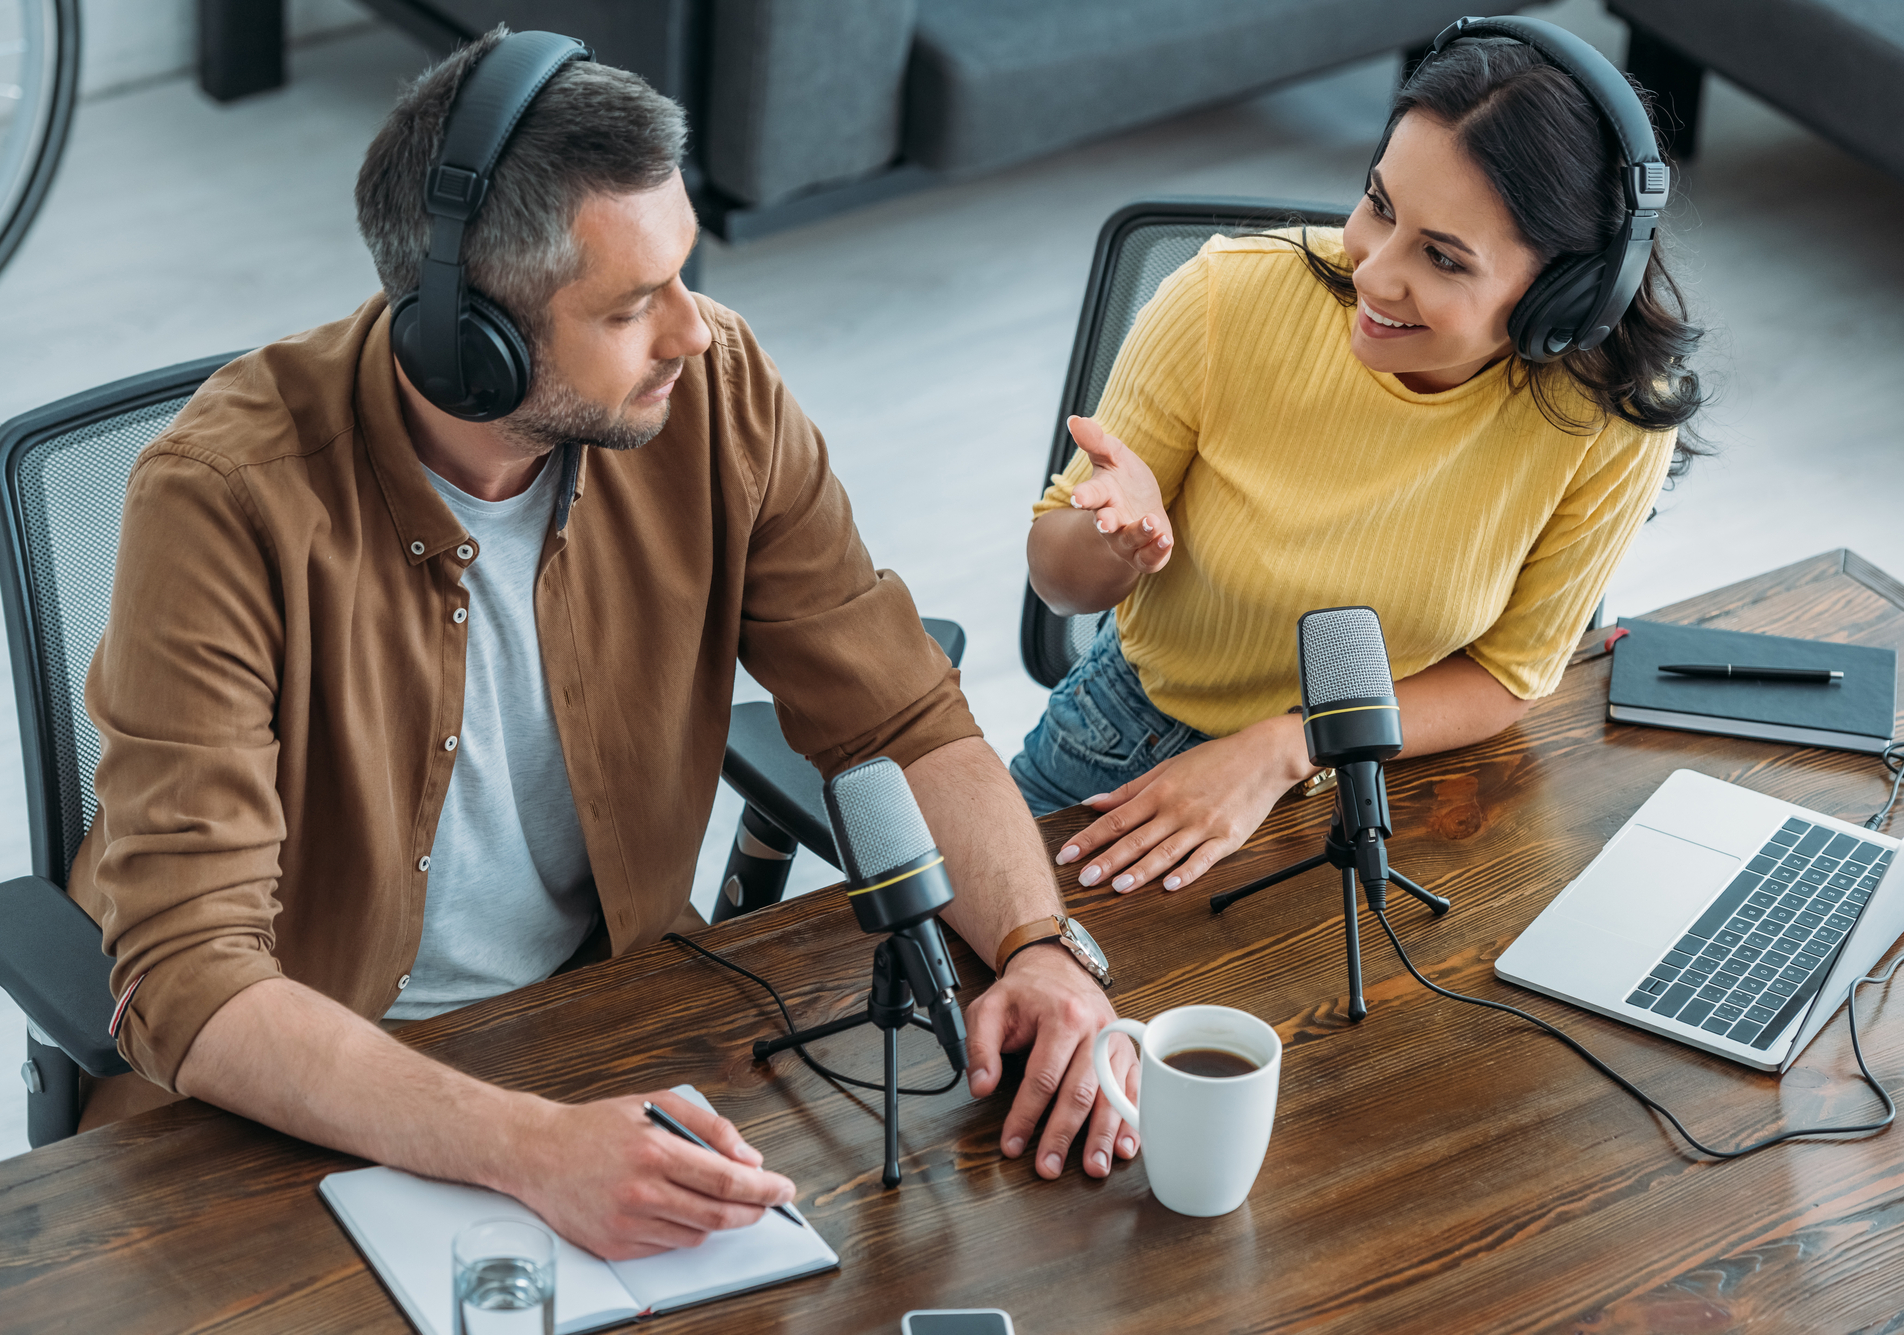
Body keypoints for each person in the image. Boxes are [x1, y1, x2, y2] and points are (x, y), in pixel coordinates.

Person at [70, 30, 1132, 1263]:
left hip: (608, 1010)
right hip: (308, 1078)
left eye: (682, 272)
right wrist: (528, 1149)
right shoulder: (221, 497)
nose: (693, 330)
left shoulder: (715, 384)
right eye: (632, 306)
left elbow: (896, 718)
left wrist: (1038, 947)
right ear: (471, 347)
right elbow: (190, 972)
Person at [1015, 29, 1706, 895]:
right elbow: (1060, 582)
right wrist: (1110, 544)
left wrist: (1286, 746)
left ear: (1569, 295)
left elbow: (1507, 677)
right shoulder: (1224, 298)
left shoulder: (1610, 422)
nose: (1374, 273)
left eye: (1443, 256)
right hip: (1129, 744)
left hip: (1381, 780)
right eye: (1379, 204)